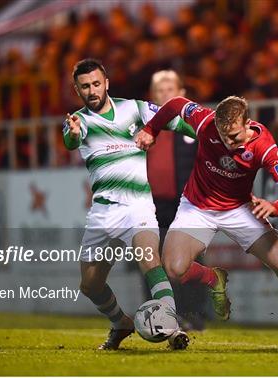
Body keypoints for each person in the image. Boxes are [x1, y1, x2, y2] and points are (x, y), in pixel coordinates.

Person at [136, 95, 278, 348]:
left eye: (235, 136)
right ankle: (213, 278)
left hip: (239, 209)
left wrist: (275, 206)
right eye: (224, 136)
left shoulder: (264, 145)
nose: (229, 142)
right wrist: (151, 129)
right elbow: (175, 103)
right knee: (173, 268)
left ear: (248, 124)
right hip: (197, 206)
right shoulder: (206, 120)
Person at [63, 58, 192, 350]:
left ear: (106, 82)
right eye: (85, 86)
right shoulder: (78, 122)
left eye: (96, 83)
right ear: (77, 89)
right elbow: (71, 140)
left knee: (150, 260)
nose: (92, 90)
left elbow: (176, 122)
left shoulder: (135, 108)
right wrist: (71, 135)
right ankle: (120, 323)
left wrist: (210, 132)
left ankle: (172, 329)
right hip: (104, 213)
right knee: (90, 285)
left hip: (138, 206)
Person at [146, 70, 206, 330]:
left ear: (181, 94)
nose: (165, 94)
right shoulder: (142, 125)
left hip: (188, 204)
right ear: (152, 95)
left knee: (188, 260)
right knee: (151, 260)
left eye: (170, 88)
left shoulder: (195, 125)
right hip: (151, 205)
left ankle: (193, 314)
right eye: (160, 90)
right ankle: (159, 315)